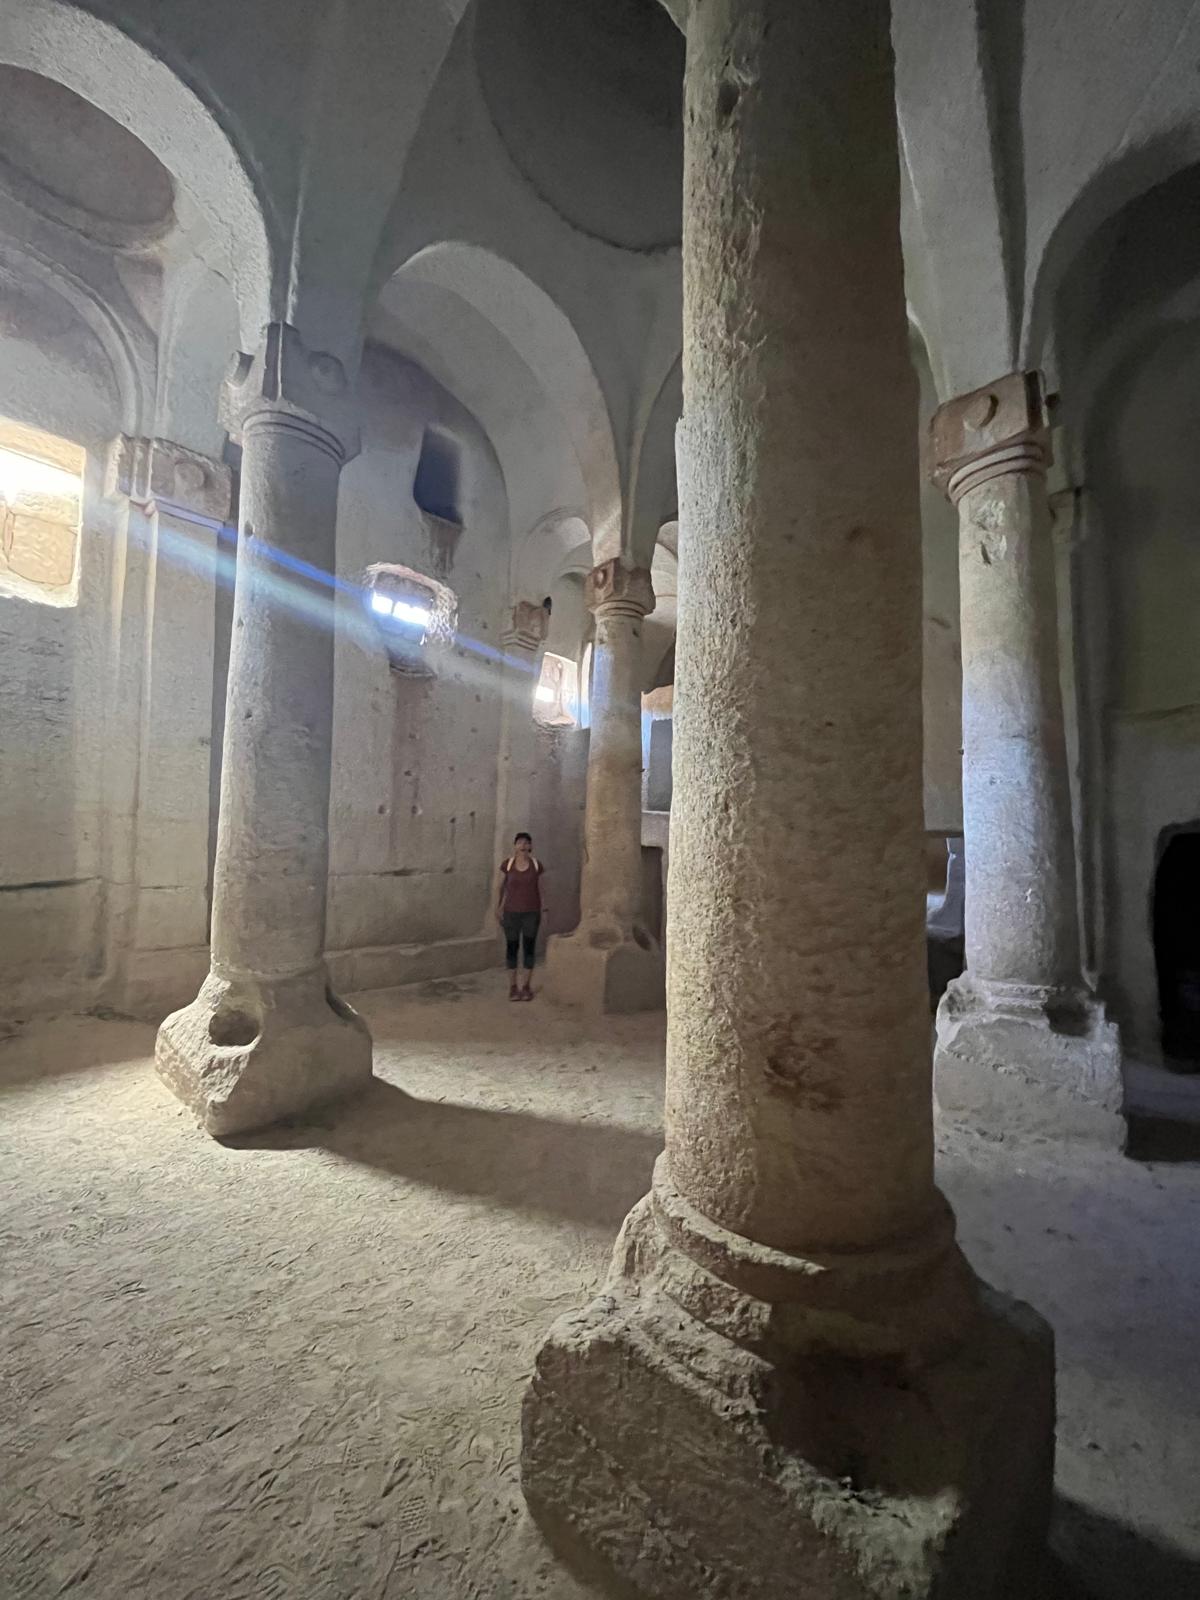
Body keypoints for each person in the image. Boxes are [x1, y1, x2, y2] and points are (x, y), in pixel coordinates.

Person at [496, 832, 545, 1001]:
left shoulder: (536, 865)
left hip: (531, 913)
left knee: (529, 950)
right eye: (520, 842)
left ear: (530, 846)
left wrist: (545, 908)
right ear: (515, 846)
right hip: (511, 914)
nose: (523, 845)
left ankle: (526, 987)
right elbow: (501, 888)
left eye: (526, 843)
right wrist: (499, 907)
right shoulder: (507, 865)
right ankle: (513, 987)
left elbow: (542, 888)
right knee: (512, 949)